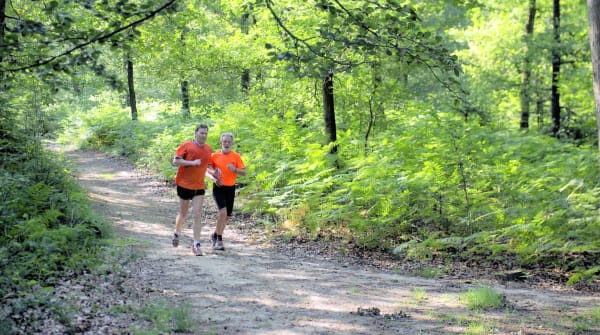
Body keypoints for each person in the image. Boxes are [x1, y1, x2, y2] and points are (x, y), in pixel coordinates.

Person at [171, 124, 213, 256]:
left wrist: (215, 174)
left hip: (199, 186)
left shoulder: (208, 149)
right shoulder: (187, 145)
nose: (203, 136)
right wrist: (192, 163)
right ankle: (177, 231)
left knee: (197, 214)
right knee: (183, 214)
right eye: (201, 133)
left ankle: (196, 244)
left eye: (205, 133)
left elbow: (206, 167)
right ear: (196, 133)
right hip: (184, 184)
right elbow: (175, 161)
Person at [206, 132, 246, 251]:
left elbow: (244, 172)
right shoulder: (214, 156)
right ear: (221, 142)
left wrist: (235, 169)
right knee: (223, 213)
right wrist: (214, 176)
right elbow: (207, 170)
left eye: (229, 142)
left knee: (227, 216)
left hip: (230, 188)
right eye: (225, 141)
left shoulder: (236, 156)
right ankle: (219, 239)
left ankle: (214, 235)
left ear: (232, 143)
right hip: (218, 187)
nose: (227, 143)